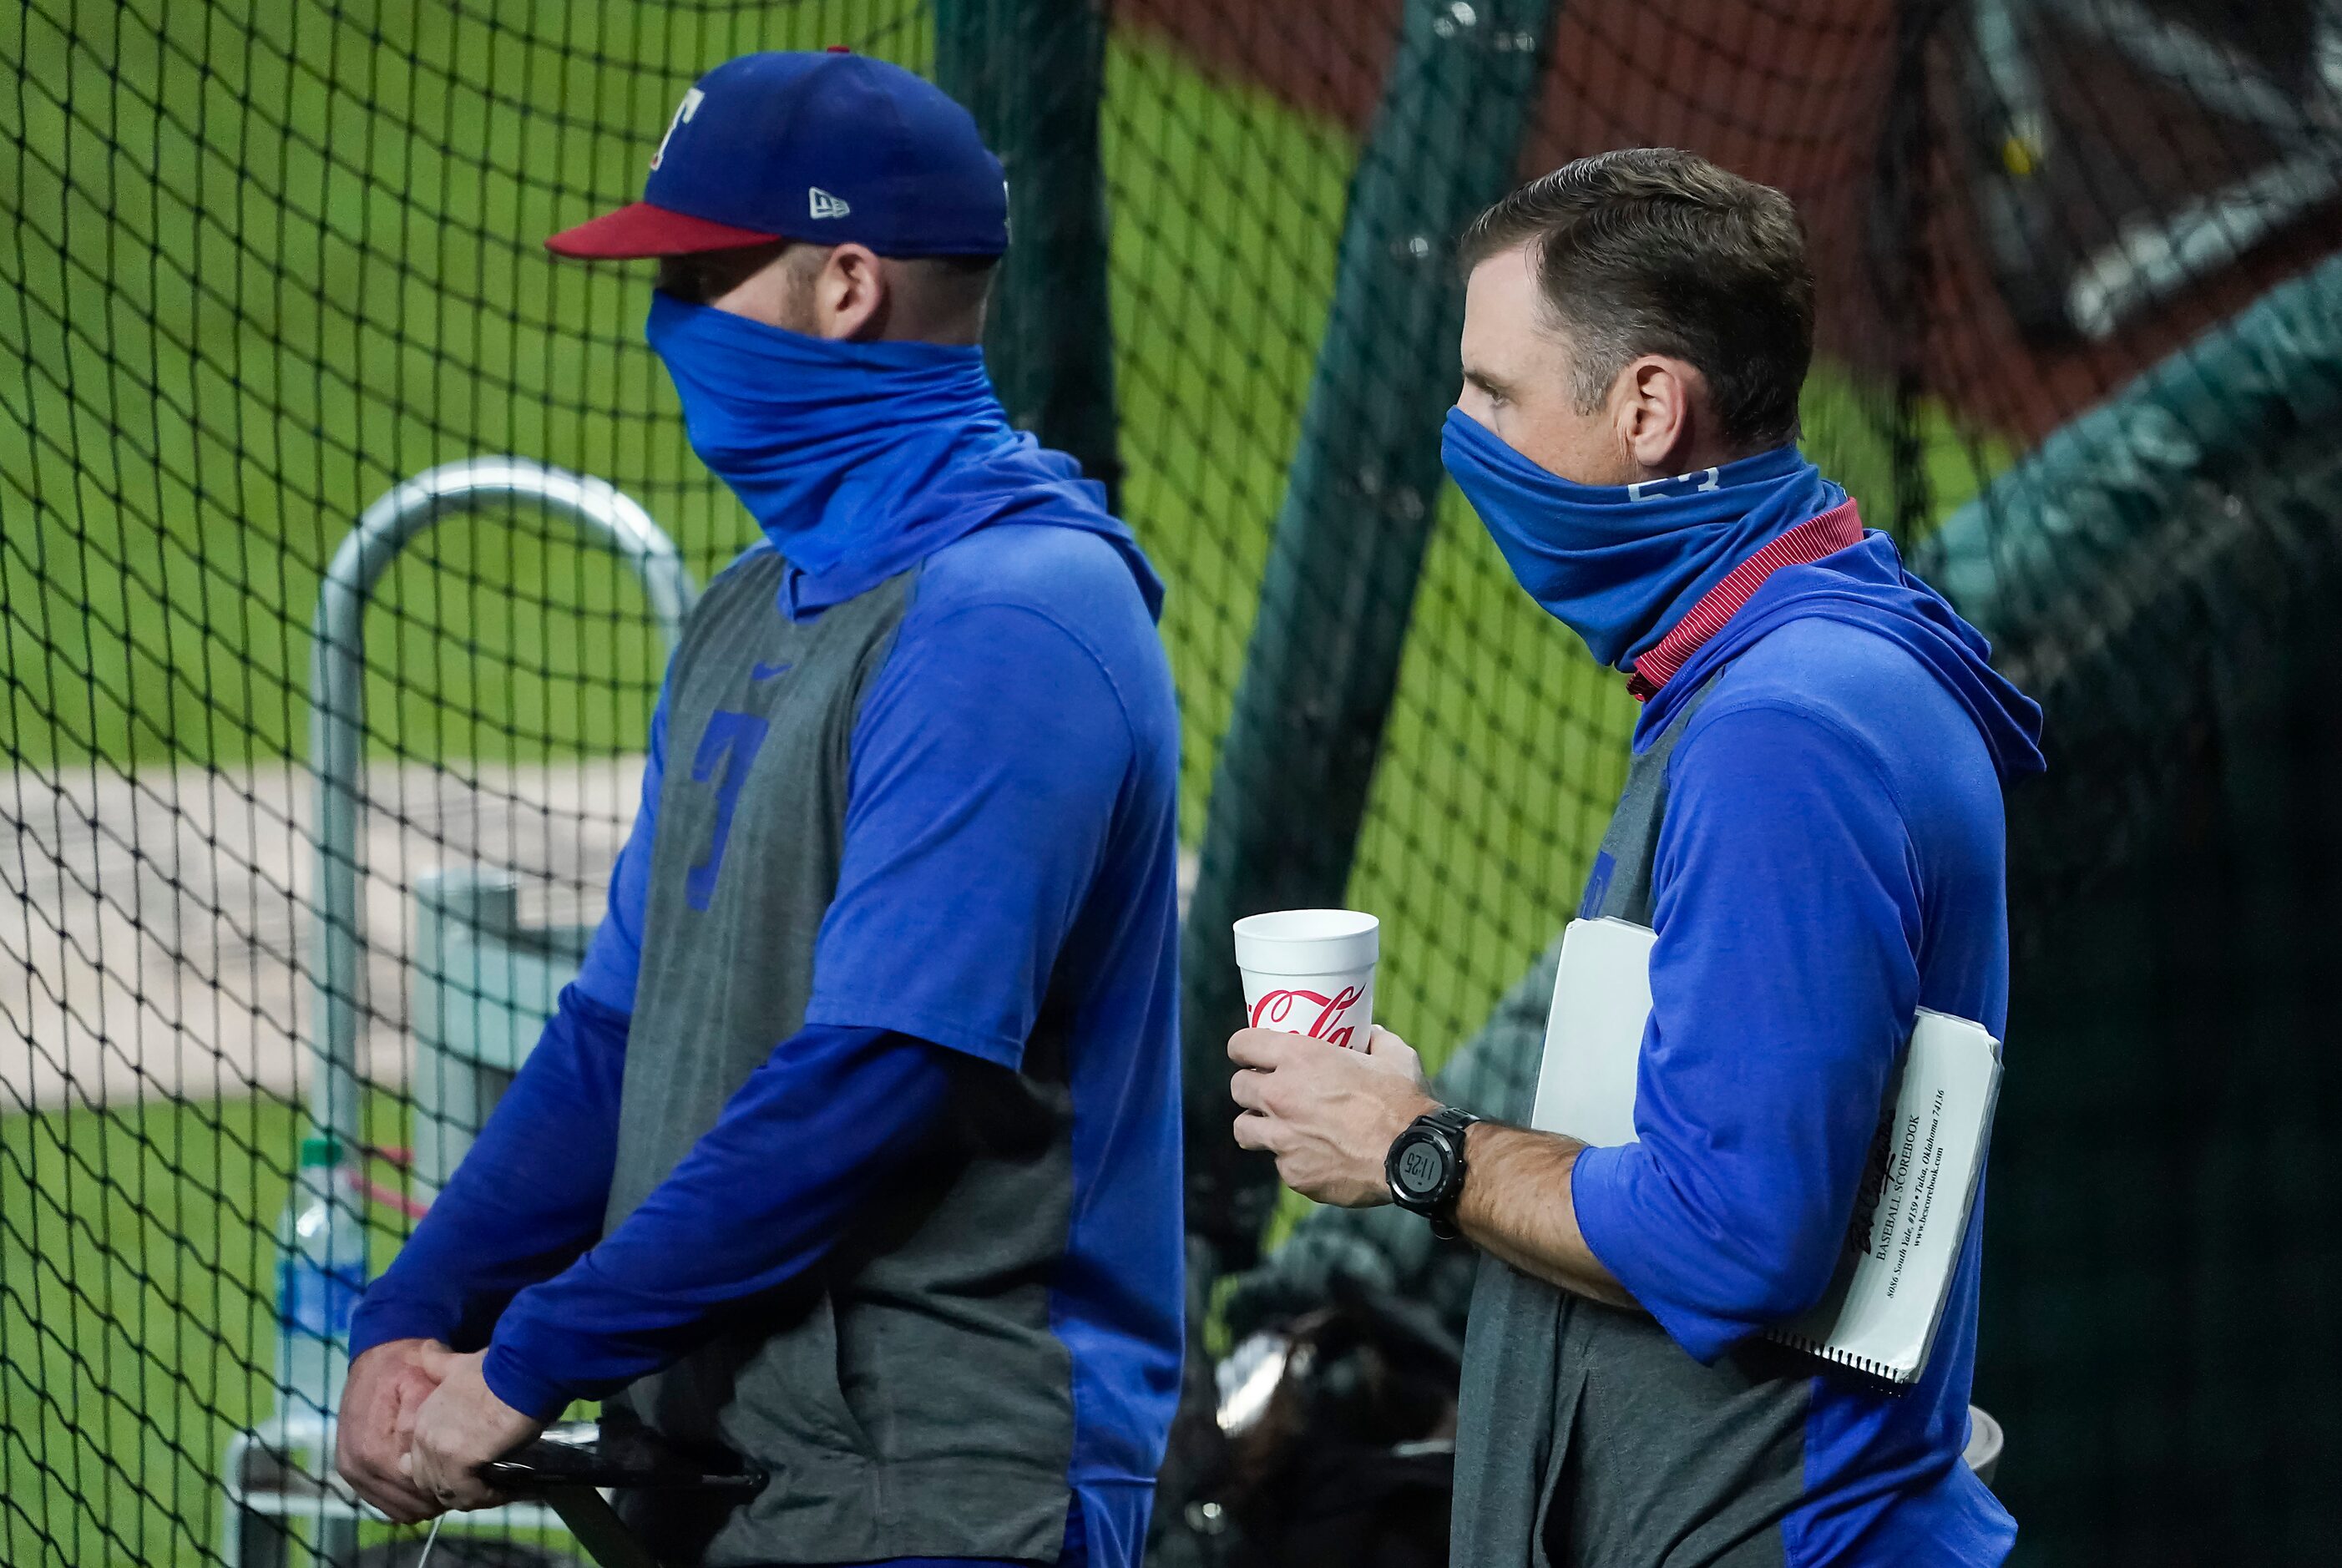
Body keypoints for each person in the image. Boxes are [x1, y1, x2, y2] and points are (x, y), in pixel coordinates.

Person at [333, 50, 1184, 1568]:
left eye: (700, 275)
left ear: (844, 285)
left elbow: (877, 1074)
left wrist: (532, 1360)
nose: (666, 323)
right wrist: (420, 1311)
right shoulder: (751, 601)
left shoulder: (1018, 618)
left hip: (939, 1483)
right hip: (726, 1459)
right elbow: (618, 1024)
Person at [1224, 148, 2043, 1565]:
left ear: (1649, 408)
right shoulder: (1816, 641)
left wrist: (1415, 1149)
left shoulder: (1784, 731)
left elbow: (1737, 1235)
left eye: (1493, 391)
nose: (1460, 428)